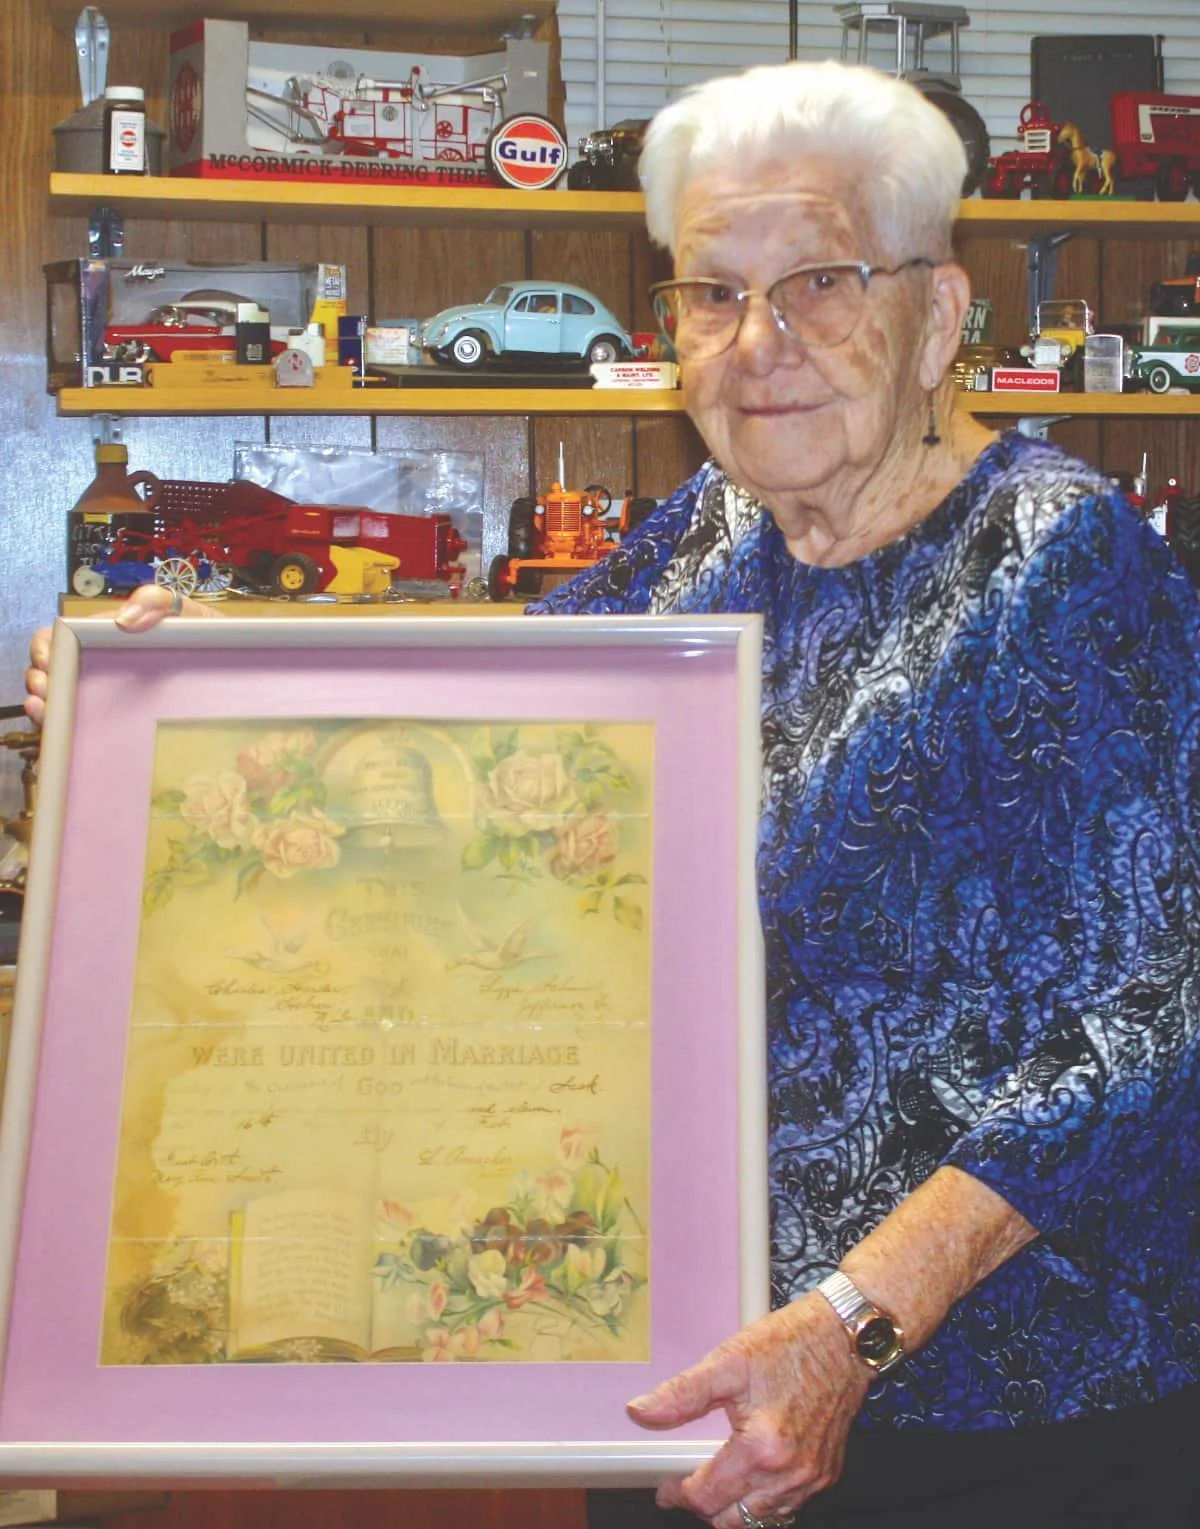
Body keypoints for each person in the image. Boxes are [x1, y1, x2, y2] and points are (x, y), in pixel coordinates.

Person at [24, 59, 1200, 1529]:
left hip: (1000, 1409)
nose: (759, 341)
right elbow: (505, 727)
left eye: (822, 281)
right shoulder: (713, 533)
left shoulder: (1060, 563)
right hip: (692, 1369)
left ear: (942, 315)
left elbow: (1157, 1017)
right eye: (711, 294)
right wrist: (194, 686)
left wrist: (853, 1322)